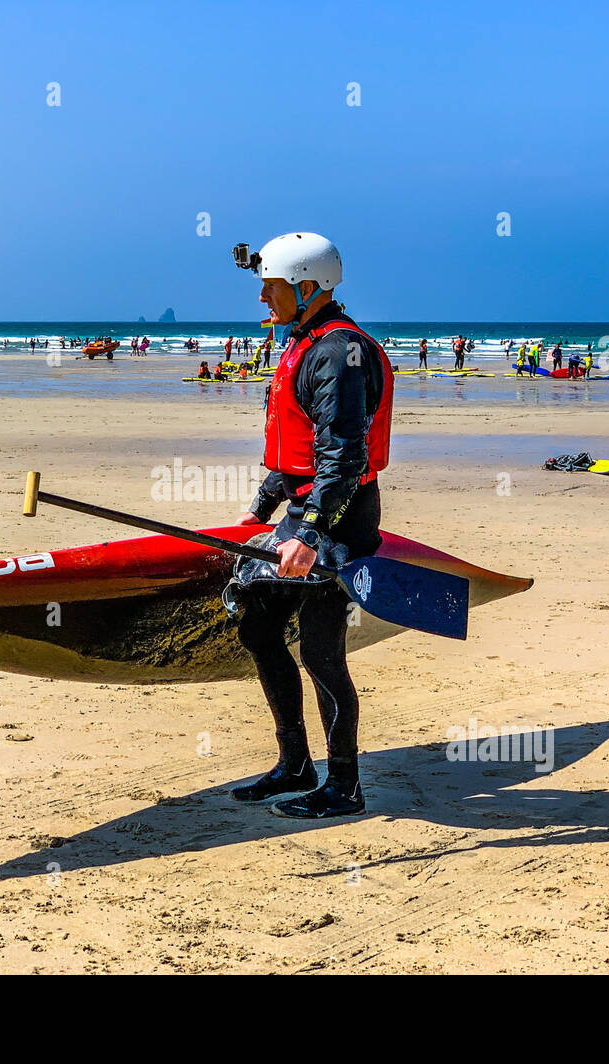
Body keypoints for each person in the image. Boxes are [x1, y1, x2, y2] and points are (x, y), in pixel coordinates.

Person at [228, 232, 392, 818]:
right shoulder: (304, 343)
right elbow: (292, 455)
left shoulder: (338, 352)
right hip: (307, 511)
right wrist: (256, 515)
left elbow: (345, 457)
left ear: (304, 287)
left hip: (341, 519)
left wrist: (311, 535)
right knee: (258, 627)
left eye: (270, 287)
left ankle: (344, 787)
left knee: (321, 652)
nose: (263, 300)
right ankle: (294, 763)